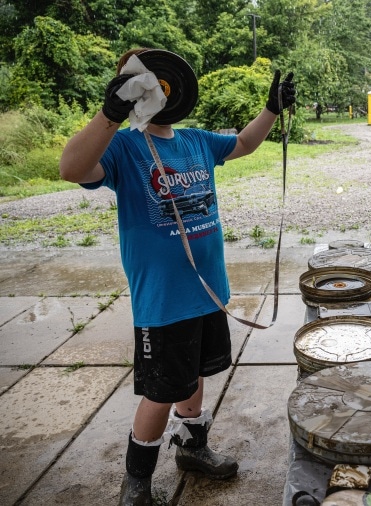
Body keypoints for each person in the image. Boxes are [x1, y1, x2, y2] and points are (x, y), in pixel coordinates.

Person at [59, 48, 295, 505]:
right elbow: (71, 168)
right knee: (161, 391)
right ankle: (137, 481)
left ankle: (192, 448)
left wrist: (271, 109)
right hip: (164, 301)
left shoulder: (195, 141)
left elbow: (244, 144)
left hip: (208, 294)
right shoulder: (125, 147)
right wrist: (110, 115)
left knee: (195, 376)